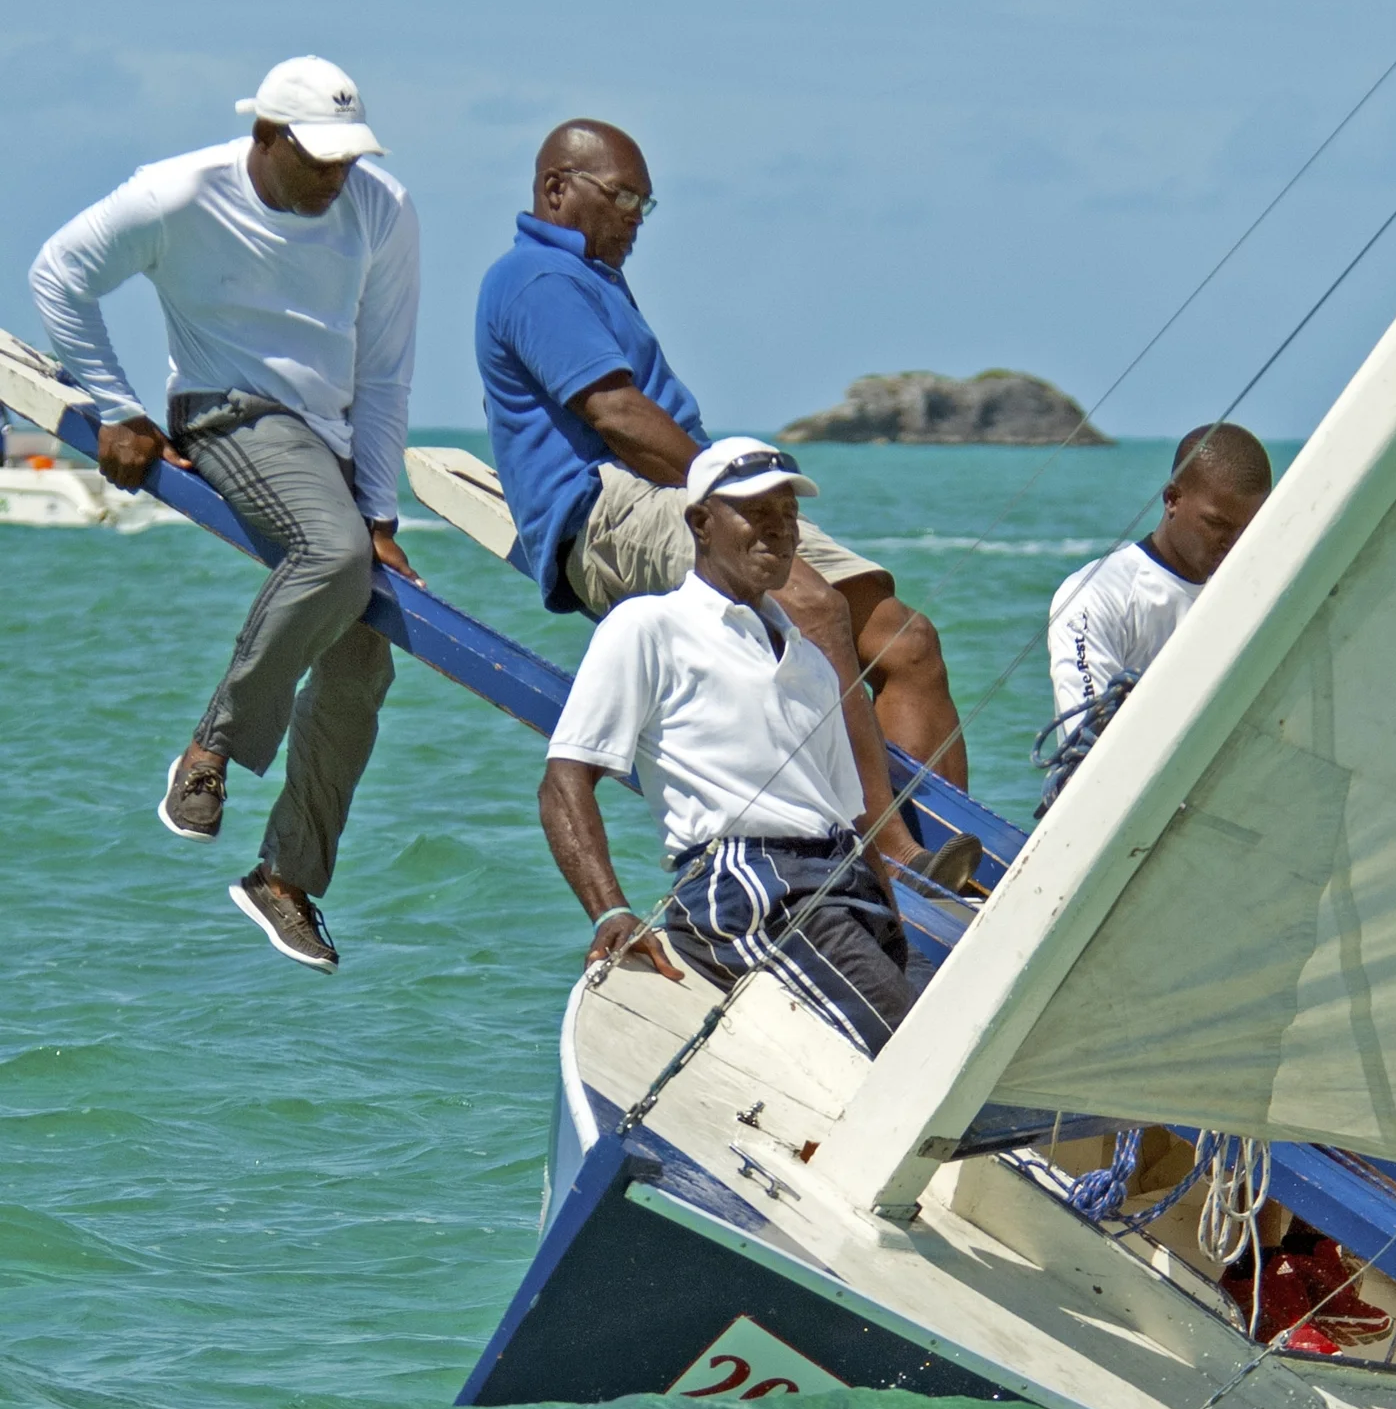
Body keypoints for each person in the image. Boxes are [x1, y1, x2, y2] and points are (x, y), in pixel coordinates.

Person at [478, 118, 979, 892]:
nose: (635, 219)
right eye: (620, 198)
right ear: (555, 188)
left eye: (646, 203)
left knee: (905, 641)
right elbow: (613, 415)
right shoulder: (536, 279)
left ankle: (953, 861)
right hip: (610, 506)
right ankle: (888, 856)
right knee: (810, 604)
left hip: (691, 492)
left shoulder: (594, 279)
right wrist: (728, 483)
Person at [29, 56, 420, 974]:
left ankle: (285, 879)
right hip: (226, 409)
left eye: (348, 158)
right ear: (265, 138)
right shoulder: (177, 194)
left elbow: (388, 365)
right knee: (330, 554)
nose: (336, 176)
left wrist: (382, 508)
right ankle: (210, 748)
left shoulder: (382, 206)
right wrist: (116, 405)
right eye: (318, 158)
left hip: (331, 437)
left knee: (363, 658)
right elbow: (59, 275)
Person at [540, 437, 923, 1057]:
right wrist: (611, 911)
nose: (778, 531)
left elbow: (855, 818)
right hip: (749, 885)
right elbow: (564, 780)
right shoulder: (650, 626)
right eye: (755, 512)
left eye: (788, 516)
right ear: (700, 523)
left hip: (845, 882)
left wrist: (894, 927)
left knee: (948, 1019)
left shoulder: (811, 660)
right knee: (920, 1046)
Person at [1037, 423, 1271, 812]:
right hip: (1122, 813)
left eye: (1248, 529)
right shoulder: (1095, 596)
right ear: (1173, 499)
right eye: (1217, 525)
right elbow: (1087, 749)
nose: (1232, 544)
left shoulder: (1259, 596)